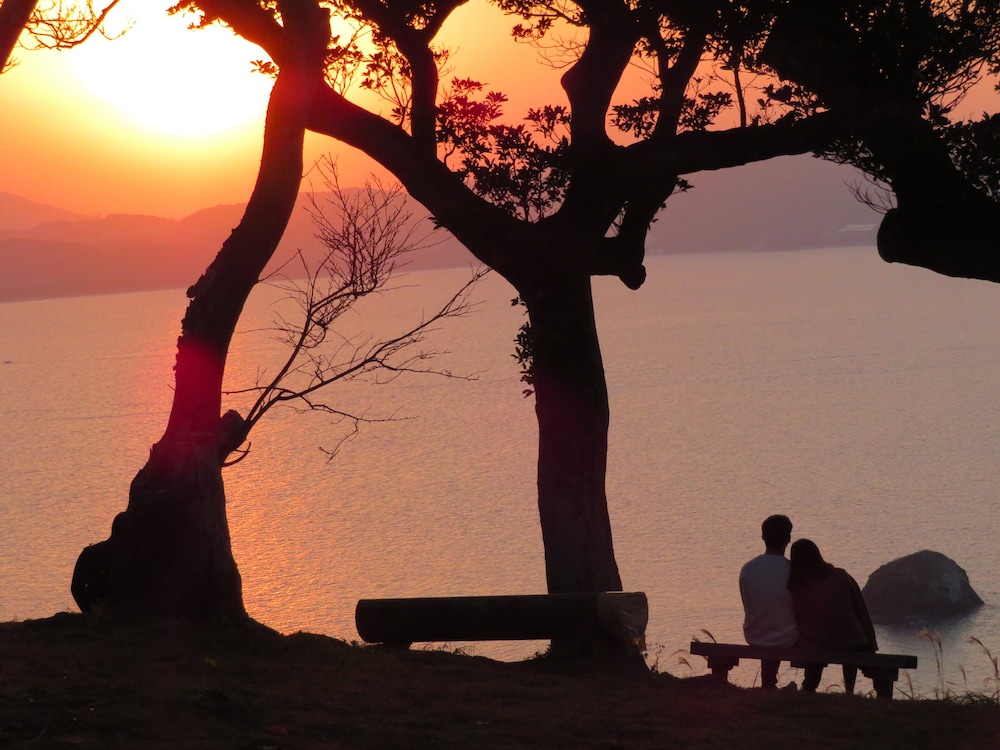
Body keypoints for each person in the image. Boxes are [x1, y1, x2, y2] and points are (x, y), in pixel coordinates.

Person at [787, 539, 878, 694]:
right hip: (852, 641)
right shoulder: (841, 575)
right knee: (848, 637)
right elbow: (860, 607)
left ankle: (809, 686)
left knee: (816, 644)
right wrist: (870, 642)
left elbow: (800, 618)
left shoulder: (798, 585)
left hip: (817, 642)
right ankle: (849, 690)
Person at [739, 514, 798, 688]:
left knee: (772, 623)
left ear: (763, 537)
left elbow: (748, 604)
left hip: (754, 636)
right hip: (787, 639)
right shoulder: (794, 570)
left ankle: (769, 683)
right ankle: (808, 686)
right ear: (788, 539)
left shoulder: (748, 569)